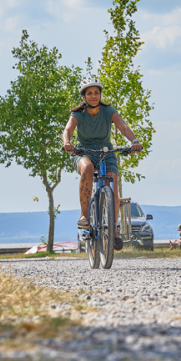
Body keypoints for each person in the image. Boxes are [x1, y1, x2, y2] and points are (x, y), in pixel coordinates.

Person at [63, 78, 142, 251]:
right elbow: (68, 129)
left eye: (96, 92)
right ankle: (84, 215)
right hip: (83, 151)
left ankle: (113, 230)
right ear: (83, 96)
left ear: (100, 94)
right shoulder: (78, 114)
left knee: (112, 189)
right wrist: (67, 143)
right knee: (88, 168)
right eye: (89, 93)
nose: (93, 96)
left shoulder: (108, 111)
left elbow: (123, 126)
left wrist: (134, 141)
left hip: (106, 151)